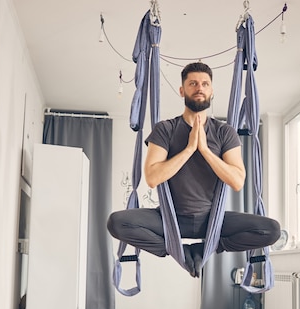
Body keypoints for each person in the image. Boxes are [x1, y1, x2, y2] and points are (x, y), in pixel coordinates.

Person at [107, 62, 280, 278]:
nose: (200, 88)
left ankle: (205, 248)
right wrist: (189, 149)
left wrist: (205, 150)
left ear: (212, 90)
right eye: (193, 83)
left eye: (205, 84)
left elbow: (237, 181)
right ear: (182, 90)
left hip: (211, 221)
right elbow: (152, 178)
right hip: (171, 218)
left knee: (271, 230)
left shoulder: (224, 132)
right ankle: (176, 250)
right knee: (117, 223)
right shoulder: (165, 129)